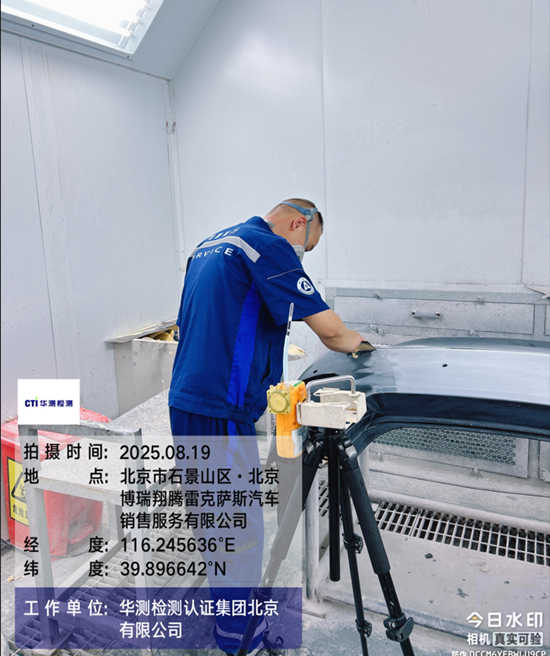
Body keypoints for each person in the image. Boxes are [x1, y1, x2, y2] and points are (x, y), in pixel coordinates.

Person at [169, 199, 363, 655]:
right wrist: (368, 349)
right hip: (220, 408)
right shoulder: (267, 246)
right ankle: (239, 640)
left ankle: (229, 617)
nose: (301, 256)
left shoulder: (209, 245)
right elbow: (333, 333)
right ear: (299, 223)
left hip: (187, 399)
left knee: (214, 518)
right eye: (307, 247)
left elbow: (193, 326)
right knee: (238, 528)